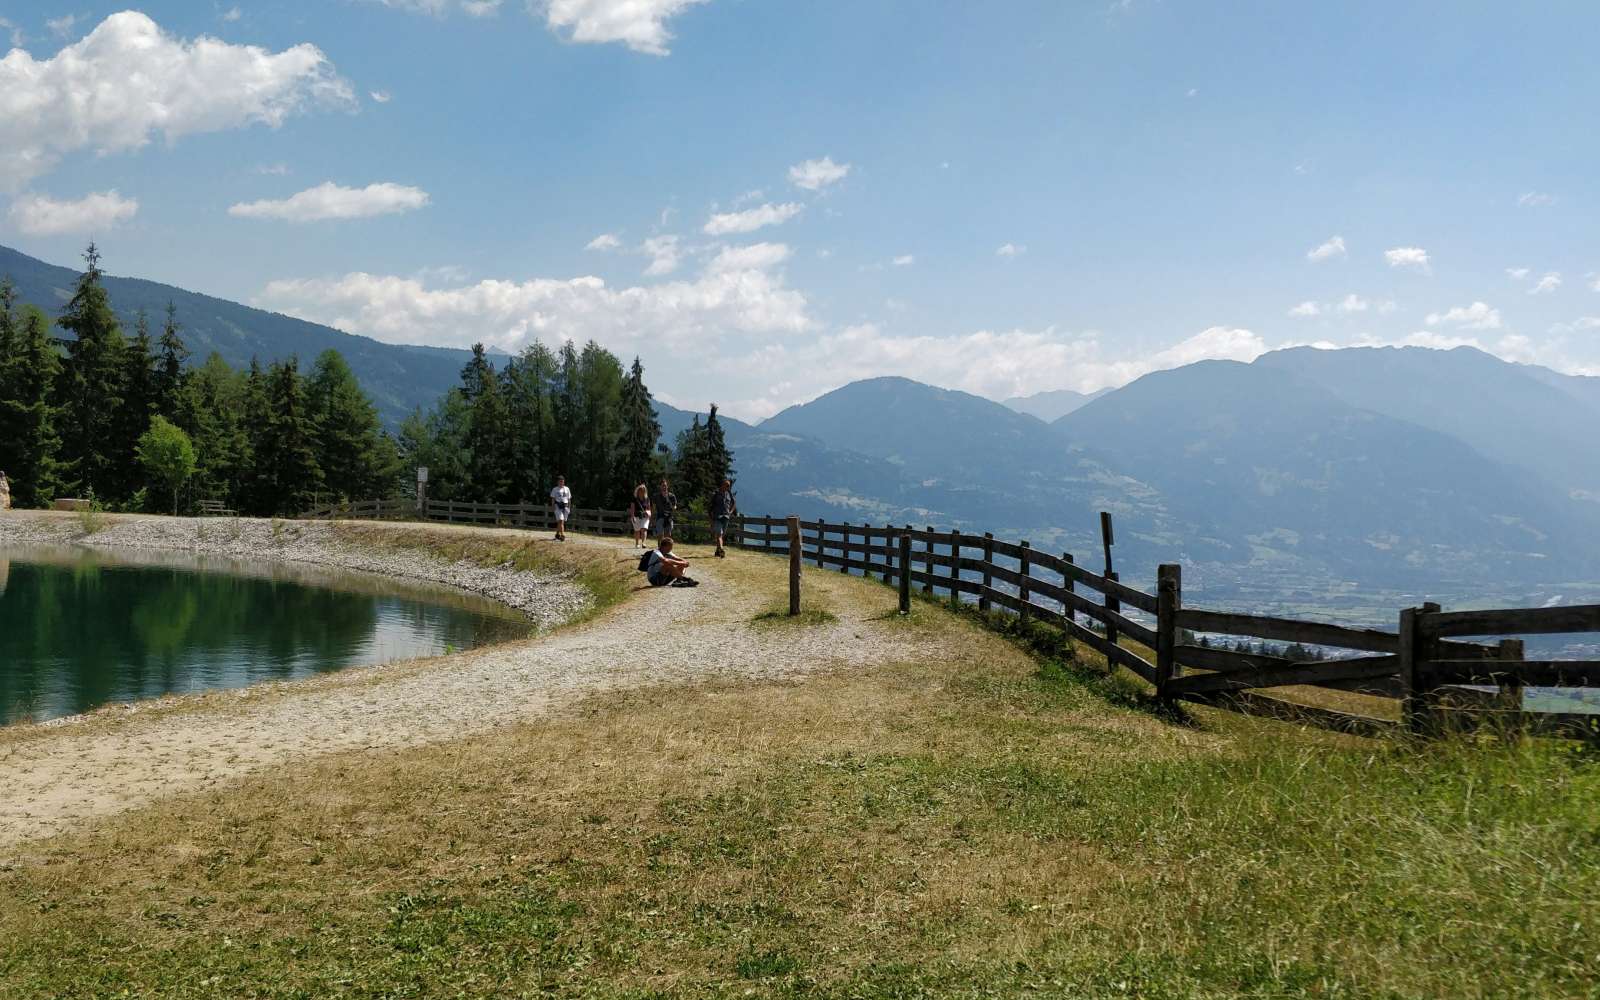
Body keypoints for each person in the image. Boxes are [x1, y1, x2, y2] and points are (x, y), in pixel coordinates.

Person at [710, 478, 736, 558]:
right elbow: (710, 507)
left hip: (726, 517)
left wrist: (731, 512)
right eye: (727, 485)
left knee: (721, 535)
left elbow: (734, 503)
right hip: (717, 517)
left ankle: (717, 551)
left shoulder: (729, 494)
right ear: (722, 485)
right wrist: (711, 519)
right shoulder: (716, 494)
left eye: (729, 486)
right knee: (719, 534)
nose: (728, 487)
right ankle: (721, 549)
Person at [628, 484, 652, 548]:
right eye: (640, 490)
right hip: (636, 516)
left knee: (644, 529)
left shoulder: (647, 499)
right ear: (637, 491)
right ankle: (637, 543)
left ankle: (643, 543)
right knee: (637, 530)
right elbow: (632, 508)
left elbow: (649, 508)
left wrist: (649, 515)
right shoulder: (634, 499)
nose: (641, 491)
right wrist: (632, 516)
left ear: (645, 491)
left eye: (643, 490)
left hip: (645, 516)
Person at [549, 475, 572, 541]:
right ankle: (562, 535)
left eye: (562, 481)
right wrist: (553, 506)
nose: (561, 483)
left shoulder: (567, 489)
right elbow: (553, 498)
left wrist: (569, 507)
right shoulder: (555, 489)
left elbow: (569, 498)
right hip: (558, 506)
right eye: (560, 481)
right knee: (561, 520)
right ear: (558, 482)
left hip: (565, 506)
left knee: (561, 522)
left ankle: (557, 534)